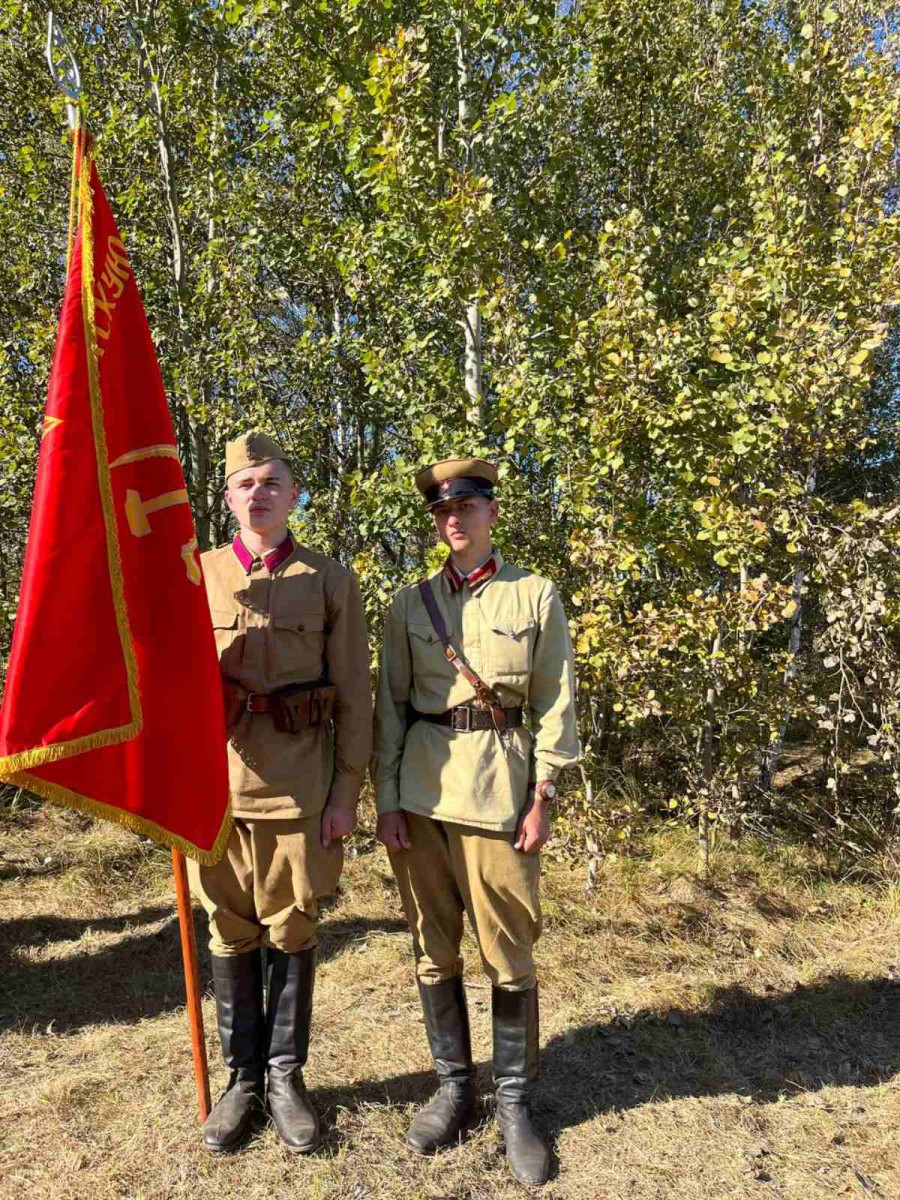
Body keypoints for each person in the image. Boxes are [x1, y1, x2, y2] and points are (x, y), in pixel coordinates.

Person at [372, 456, 578, 1186]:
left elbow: (555, 700)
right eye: (442, 511)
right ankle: (455, 1088)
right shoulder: (410, 604)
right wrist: (386, 800)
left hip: (499, 792)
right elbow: (390, 708)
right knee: (433, 949)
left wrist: (543, 794)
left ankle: (515, 1103)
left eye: (465, 506)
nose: (453, 519)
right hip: (423, 794)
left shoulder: (534, 594)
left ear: (491, 512)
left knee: (509, 952)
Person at [189, 431, 371, 1155]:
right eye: (245, 483)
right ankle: (242, 1080)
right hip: (213, 791)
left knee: (293, 928)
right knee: (228, 930)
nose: (258, 493)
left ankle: (286, 1077)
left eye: (271, 482)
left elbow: (354, 697)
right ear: (228, 497)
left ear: (294, 494)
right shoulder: (195, 575)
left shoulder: (329, 580)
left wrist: (345, 794)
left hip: (299, 788)